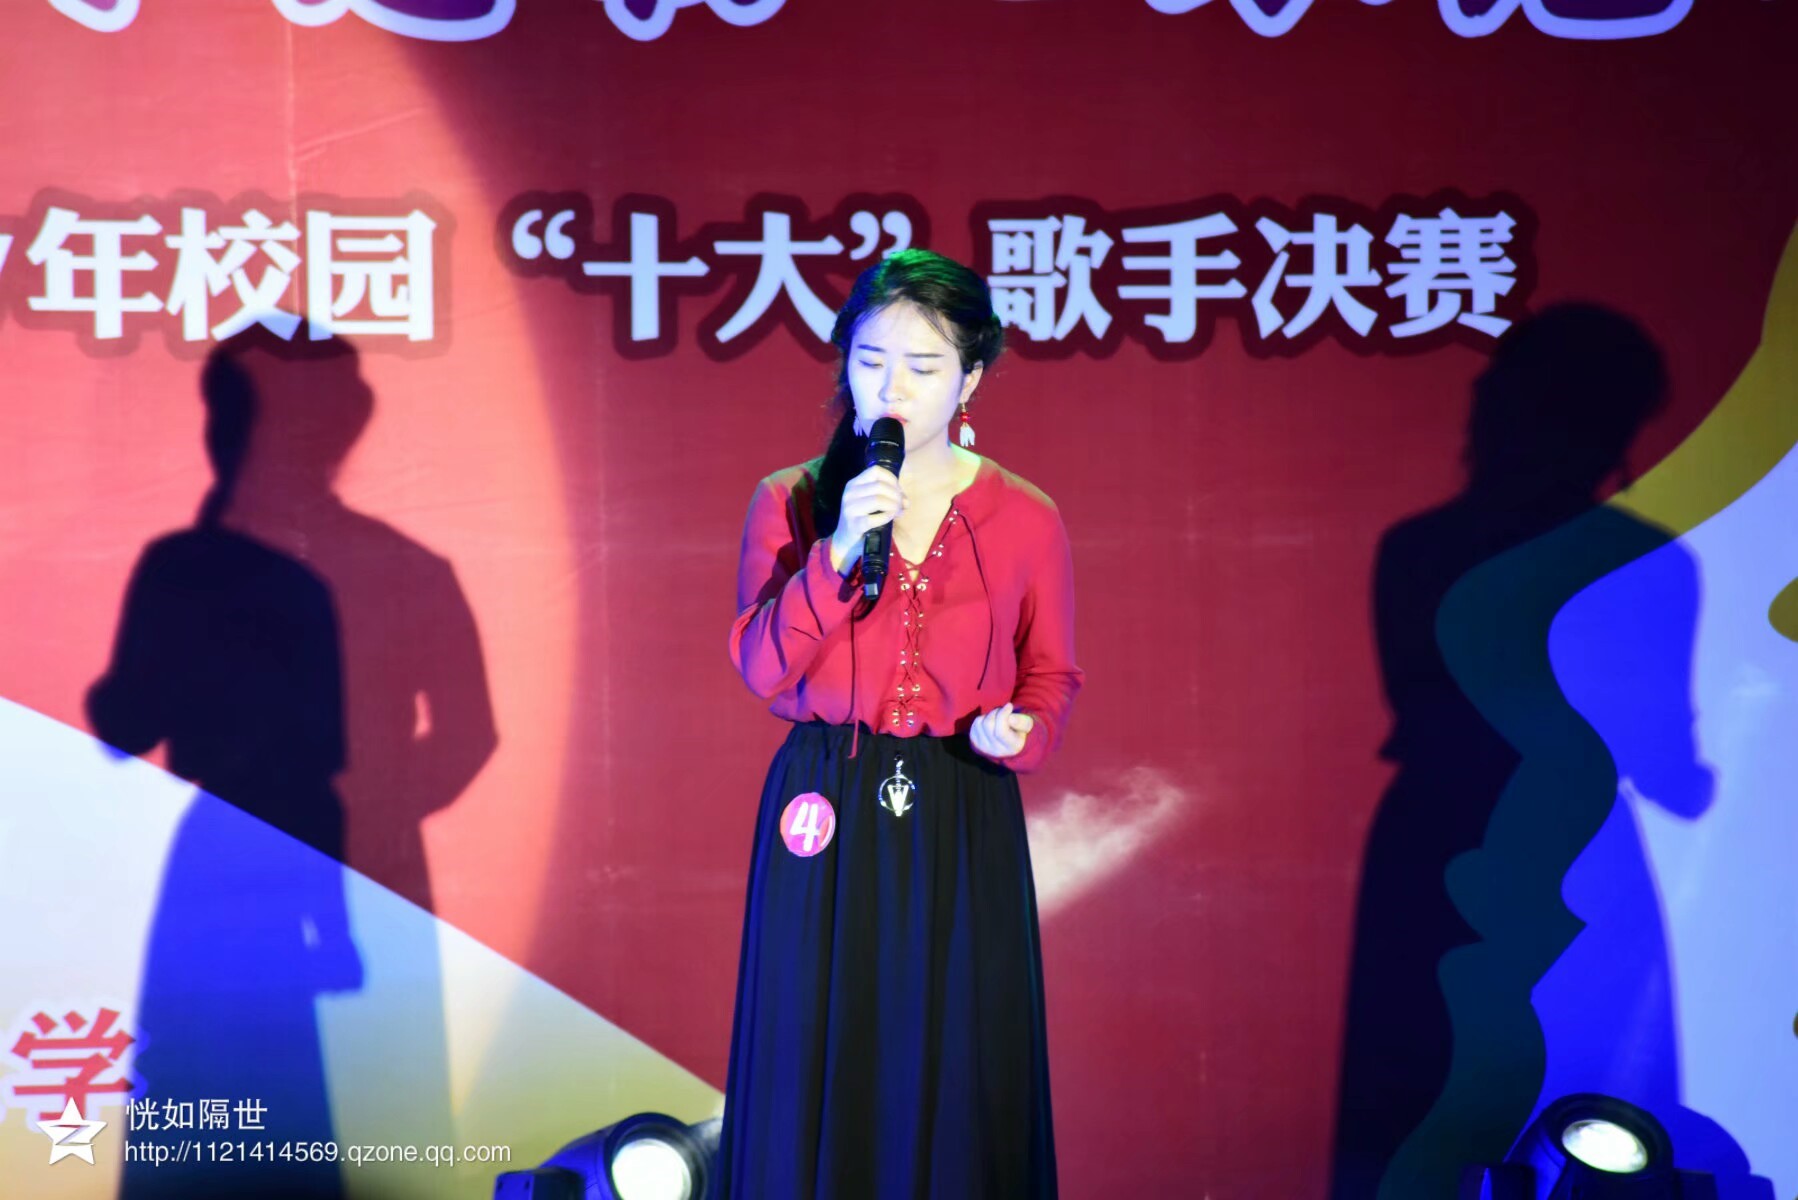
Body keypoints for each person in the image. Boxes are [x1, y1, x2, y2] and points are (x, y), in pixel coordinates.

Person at [716, 248, 1082, 1199]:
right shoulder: (793, 498)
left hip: (963, 801)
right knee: (816, 1047)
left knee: (961, 1051)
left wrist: (1023, 733)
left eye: (924, 367)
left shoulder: (1027, 515)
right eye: (872, 361)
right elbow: (762, 665)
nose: (893, 388)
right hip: (824, 798)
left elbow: (1050, 675)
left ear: (972, 378)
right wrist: (838, 549)